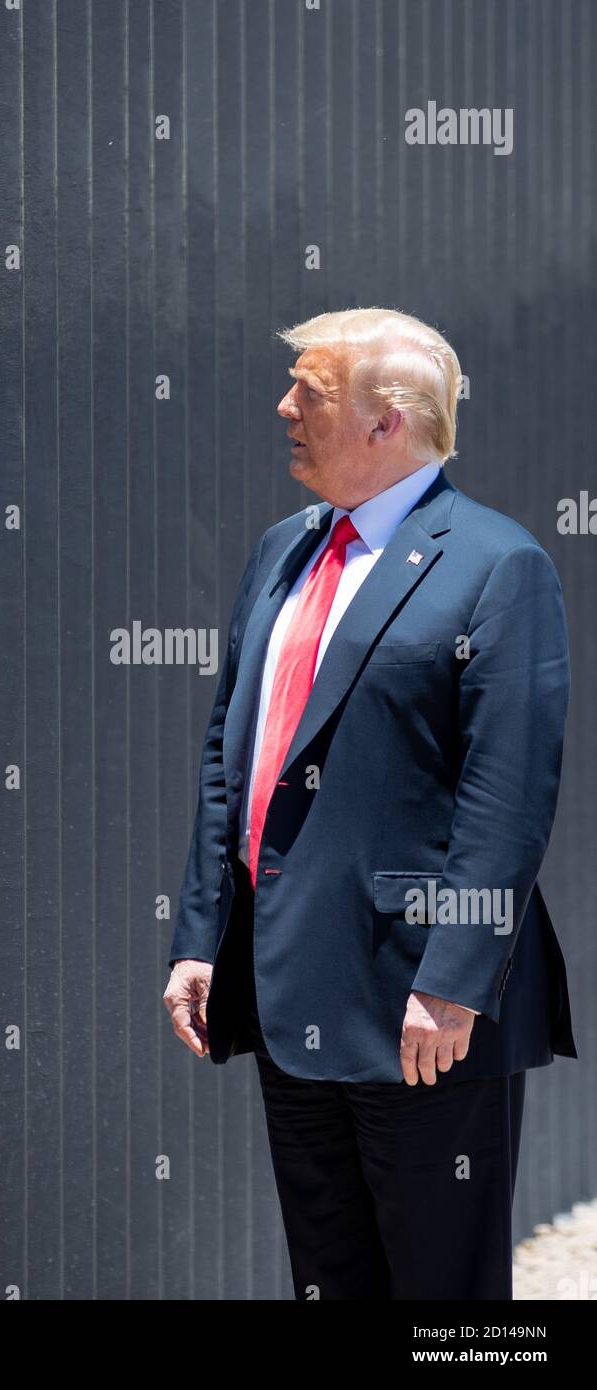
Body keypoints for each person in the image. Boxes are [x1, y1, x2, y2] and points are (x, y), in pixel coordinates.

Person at [162, 307, 577, 1301]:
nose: (283, 406)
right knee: (329, 1271)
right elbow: (235, 751)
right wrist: (200, 935)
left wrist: (453, 983)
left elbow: (506, 797)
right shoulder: (282, 550)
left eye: (307, 388)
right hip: (283, 987)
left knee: (441, 1289)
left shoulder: (496, 563)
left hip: (417, 1007)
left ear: (386, 418)